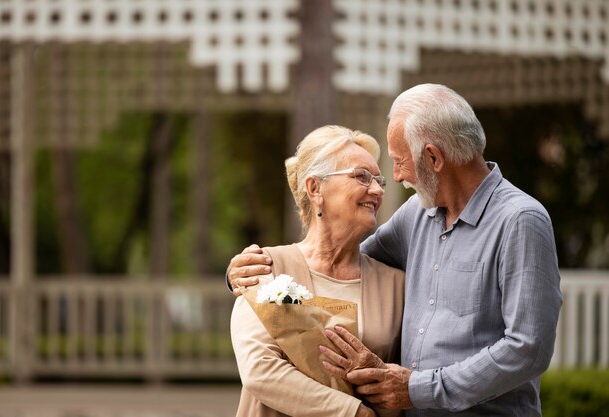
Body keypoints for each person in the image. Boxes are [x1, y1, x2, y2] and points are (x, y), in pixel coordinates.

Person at [227, 84, 562, 416]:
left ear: (433, 157)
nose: (396, 177)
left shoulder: (520, 220)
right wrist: (245, 276)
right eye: (364, 176)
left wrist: (415, 389)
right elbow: (338, 260)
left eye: (398, 163)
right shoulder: (417, 215)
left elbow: (527, 349)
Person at [230, 125, 405, 417]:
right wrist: (353, 413)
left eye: (379, 181)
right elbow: (259, 370)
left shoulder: (396, 285)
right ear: (315, 188)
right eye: (362, 176)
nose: (376, 190)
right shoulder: (264, 268)